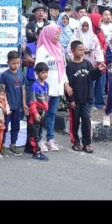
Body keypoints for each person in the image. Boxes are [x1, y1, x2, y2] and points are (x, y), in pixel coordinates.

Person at [34, 23, 70, 152]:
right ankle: (39, 139)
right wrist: (40, 85)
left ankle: (50, 138)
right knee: (42, 115)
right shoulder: (42, 50)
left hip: (57, 88)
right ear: (49, 34)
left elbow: (62, 68)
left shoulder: (60, 48)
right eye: (56, 33)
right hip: (45, 89)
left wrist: (65, 83)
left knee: (52, 114)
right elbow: (37, 70)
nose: (58, 36)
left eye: (59, 34)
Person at [66, 40, 103, 153]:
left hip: (87, 98)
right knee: (75, 121)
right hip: (75, 100)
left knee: (86, 120)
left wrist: (99, 70)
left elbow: (92, 76)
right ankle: (76, 142)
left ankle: (87, 143)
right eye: (80, 50)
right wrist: (71, 100)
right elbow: (68, 84)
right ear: (73, 51)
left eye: (83, 50)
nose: (82, 52)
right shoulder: (70, 67)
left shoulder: (87, 63)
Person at [0, 51, 28, 156]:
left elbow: (23, 90)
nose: (16, 65)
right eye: (13, 63)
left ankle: (13, 144)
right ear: (8, 62)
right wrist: (6, 105)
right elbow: (2, 92)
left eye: (18, 63)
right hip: (8, 106)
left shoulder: (22, 74)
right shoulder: (5, 75)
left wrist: (24, 104)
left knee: (16, 126)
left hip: (18, 106)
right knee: (5, 126)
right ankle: (2, 145)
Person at [26, 62, 50, 161]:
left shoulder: (46, 85)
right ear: (37, 73)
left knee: (39, 131)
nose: (45, 75)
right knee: (34, 133)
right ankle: (37, 152)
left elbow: (46, 99)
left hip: (43, 111)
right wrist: (35, 113)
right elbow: (32, 102)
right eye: (43, 72)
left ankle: (29, 148)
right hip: (36, 112)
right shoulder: (35, 86)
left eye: (46, 72)